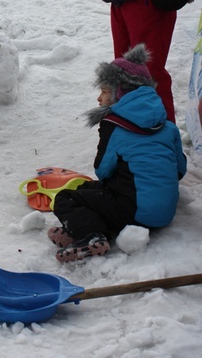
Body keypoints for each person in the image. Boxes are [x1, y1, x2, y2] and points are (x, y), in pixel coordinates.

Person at [47, 44, 187, 262]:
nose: (99, 98)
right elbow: (180, 169)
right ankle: (85, 227)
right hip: (165, 212)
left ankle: (91, 236)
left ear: (121, 93)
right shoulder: (167, 125)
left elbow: (103, 170)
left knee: (66, 198)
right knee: (87, 188)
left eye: (104, 91)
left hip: (136, 213)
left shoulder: (114, 125)